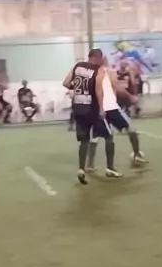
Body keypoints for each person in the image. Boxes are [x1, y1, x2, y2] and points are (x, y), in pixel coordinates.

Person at [62, 49, 121, 185]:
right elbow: (98, 91)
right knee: (108, 136)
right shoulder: (98, 70)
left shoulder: (77, 66)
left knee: (84, 141)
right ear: (98, 57)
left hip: (78, 108)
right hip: (92, 109)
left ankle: (81, 169)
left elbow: (66, 83)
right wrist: (101, 108)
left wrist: (77, 89)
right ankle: (110, 168)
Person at [86, 59, 147, 174]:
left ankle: (90, 164)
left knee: (96, 137)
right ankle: (135, 156)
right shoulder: (109, 72)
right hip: (110, 108)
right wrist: (131, 97)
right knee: (130, 130)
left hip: (97, 110)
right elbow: (118, 88)